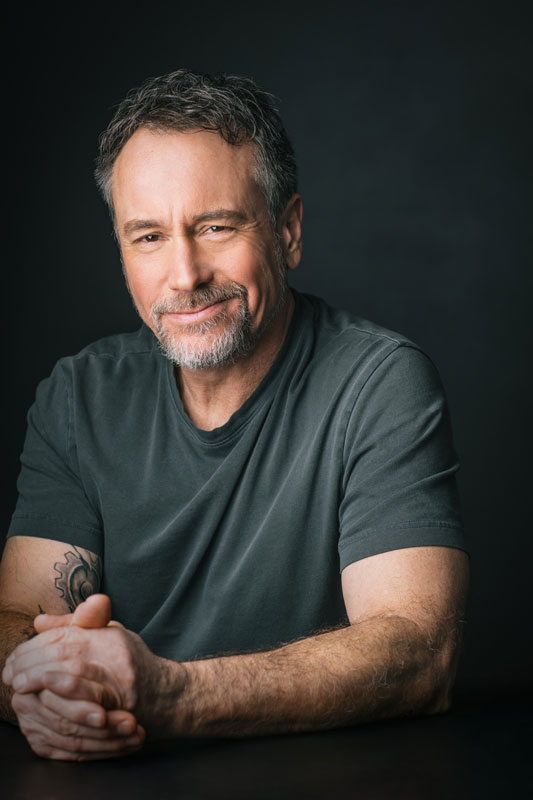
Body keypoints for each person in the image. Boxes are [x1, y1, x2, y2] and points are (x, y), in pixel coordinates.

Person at [0, 69, 469, 761]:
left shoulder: (378, 383)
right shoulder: (79, 397)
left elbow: (419, 651)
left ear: (288, 231)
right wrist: (45, 691)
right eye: (148, 237)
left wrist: (174, 697)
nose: (184, 274)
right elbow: (15, 619)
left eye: (215, 226)